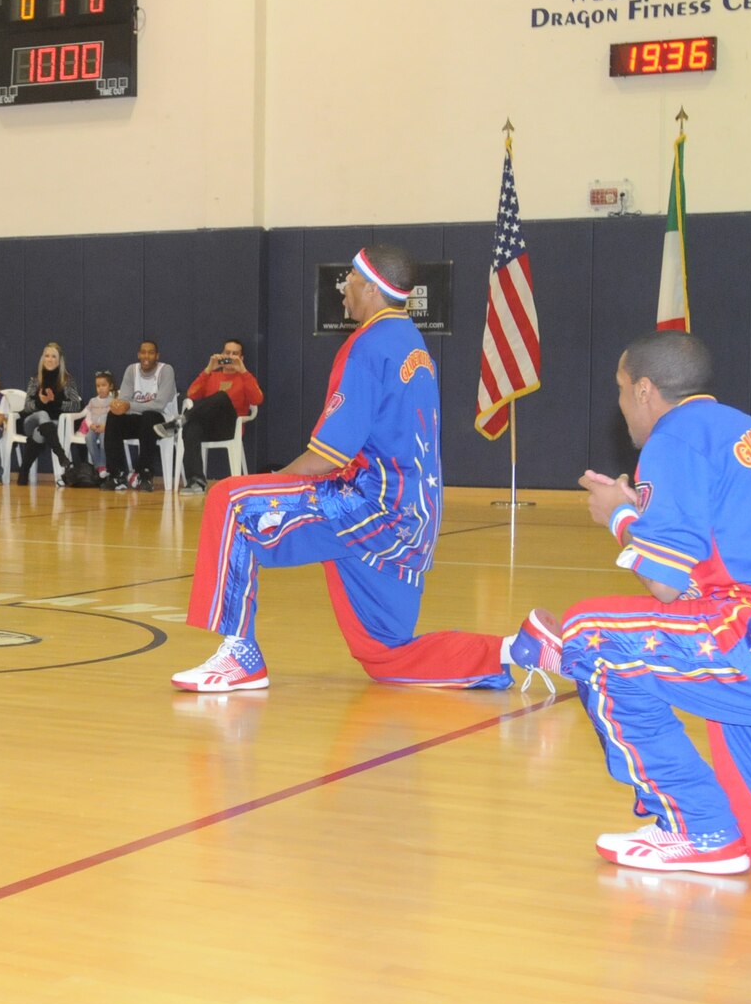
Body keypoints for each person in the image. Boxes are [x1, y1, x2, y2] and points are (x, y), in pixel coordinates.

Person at [508, 331, 751, 885]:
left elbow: (665, 586)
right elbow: (718, 572)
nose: (620, 405)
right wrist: (635, 512)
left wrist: (618, 517)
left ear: (645, 390)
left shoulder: (674, 438)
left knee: (592, 636)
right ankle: (718, 832)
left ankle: (695, 830)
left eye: (621, 390)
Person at [174, 245, 508, 693]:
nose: (342, 286)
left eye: (349, 278)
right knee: (385, 654)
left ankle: (241, 656)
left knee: (231, 501)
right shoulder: (411, 340)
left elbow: (329, 455)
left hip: (369, 506)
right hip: (414, 524)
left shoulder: (367, 346)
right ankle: (512, 651)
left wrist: (271, 484)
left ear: (371, 287)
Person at [178, 338, 265, 493]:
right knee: (191, 428)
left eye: (235, 354)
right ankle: (196, 481)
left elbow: (257, 399)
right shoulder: (212, 376)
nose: (230, 357)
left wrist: (243, 370)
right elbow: (192, 394)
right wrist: (208, 369)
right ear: (221, 354)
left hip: (230, 427)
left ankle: (182, 419)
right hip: (209, 427)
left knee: (221, 397)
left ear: (241, 358)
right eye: (227, 353)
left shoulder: (244, 378)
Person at [103, 340, 176, 490]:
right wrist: (118, 406)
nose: (146, 356)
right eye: (143, 352)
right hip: (138, 420)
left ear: (157, 356)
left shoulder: (166, 370)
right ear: (138, 354)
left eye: (151, 352)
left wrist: (129, 405)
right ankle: (117, 474)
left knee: (149, 416)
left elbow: (159, 404)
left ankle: (145, 473)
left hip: (162, 423)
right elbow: (124, 400)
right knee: (113, 416)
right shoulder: (132, 370)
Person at [14, 342, 80, 485]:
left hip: (53, 424)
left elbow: (76, 405)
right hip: (31, 421)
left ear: (59, 360)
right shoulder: (35, 379)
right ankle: (61, 454)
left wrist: (54, 401)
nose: (49, 359)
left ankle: (24, 470)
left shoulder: (67, 380)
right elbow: (27, 406)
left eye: (53, 356)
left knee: (40, 432)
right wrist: (40, 402)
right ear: (42, 358)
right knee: (43, 414)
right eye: (47, 356)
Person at [82, 370, 115, 471]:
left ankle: (103, 464)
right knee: (88, 437)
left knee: (104, 439)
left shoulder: (113, 401)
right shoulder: (93, 401)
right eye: (98, 386)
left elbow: (115, 417)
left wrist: (106, 426)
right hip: (94, 427)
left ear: (110, 386)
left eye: (103, 385)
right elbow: (87, 414)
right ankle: (98, 465)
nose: (100, 388)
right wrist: (90, 425)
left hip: (106, 428)